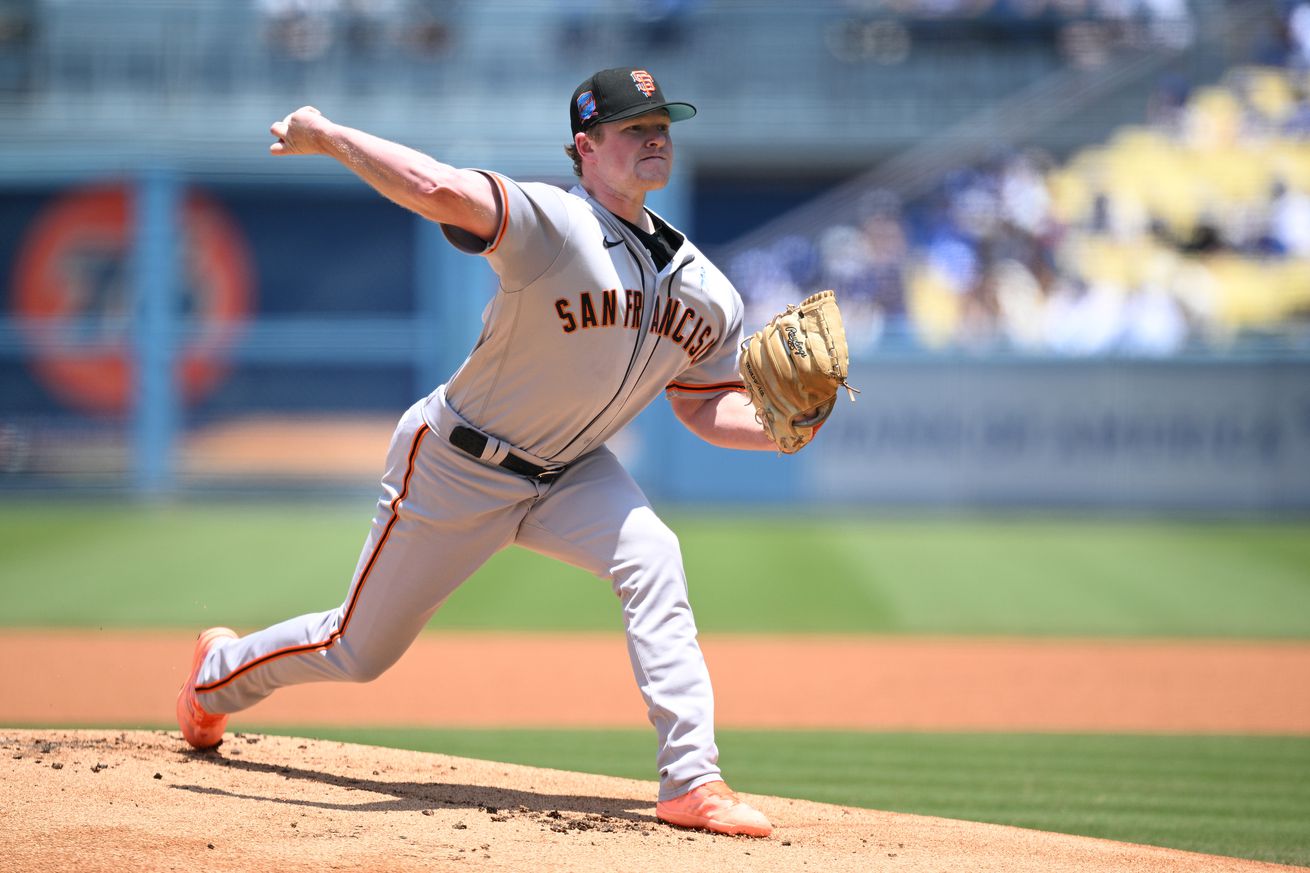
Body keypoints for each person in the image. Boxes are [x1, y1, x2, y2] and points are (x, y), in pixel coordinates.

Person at [176, 66, 780, 837]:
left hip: (572, 471)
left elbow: (701, 406)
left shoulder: (709, 290)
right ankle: (214, 673)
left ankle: (692, 779)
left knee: (654, 554)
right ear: (585, 147)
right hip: (460, 463)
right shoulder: (549, 221)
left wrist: (781, 427)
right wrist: (328, 136)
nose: (655, 135)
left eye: (662, 123)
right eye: (634, 127)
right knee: (355, 650)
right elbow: (434, 187)